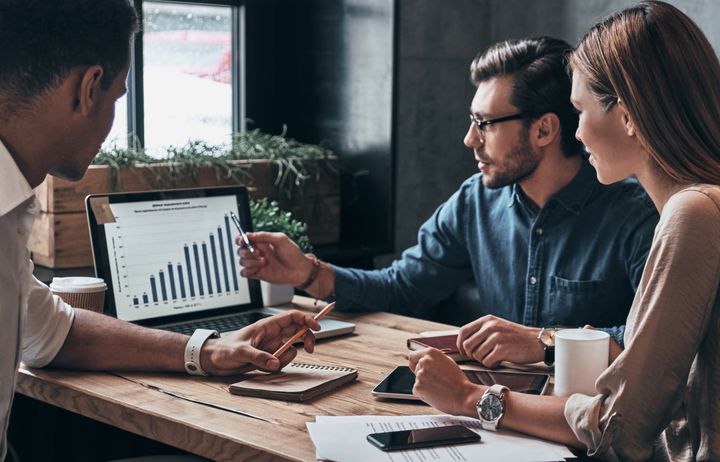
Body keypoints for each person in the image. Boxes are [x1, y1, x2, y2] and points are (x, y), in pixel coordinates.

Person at [0, 2, 320, 460]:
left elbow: (51, 331)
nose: (111, 125)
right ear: (88, 88)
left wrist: (209, 350)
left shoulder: (10, 210)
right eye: (116, 99)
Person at [410, 1, 720, 460]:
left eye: (580, 111)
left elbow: (619, 427)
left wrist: (469, 398)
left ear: (628, 113)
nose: (575, 135)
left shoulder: (693, 214)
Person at [237, 37, 658, 367]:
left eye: (485, 124)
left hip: (592, 426)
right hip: (492, 414)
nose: (470, 139)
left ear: (544, 130)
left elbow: (654, 343)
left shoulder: (636, 215)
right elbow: (403, 288)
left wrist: (544, 341)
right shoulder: (474, 202)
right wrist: (307, 272)